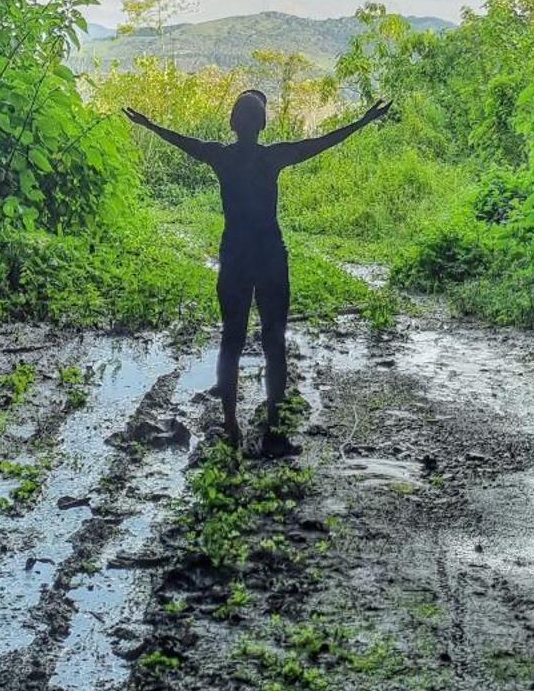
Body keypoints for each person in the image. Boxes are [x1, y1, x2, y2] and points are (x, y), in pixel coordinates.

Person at [125, 88, 395, 452]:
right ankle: (274, 433)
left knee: (231, 341)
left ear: (233, 123)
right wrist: (363, 121)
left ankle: (232, 426)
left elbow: (182, 141)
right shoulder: (273, 158)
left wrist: (148, 123)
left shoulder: (222, 156)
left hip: (235, 255)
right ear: (263, 124)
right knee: (274, 342)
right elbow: (321, 142)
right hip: (269, 255)